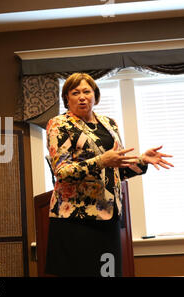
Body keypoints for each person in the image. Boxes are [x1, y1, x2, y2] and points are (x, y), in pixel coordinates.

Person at [45, 72, 173, 277]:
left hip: (108, 216)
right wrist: (101, 161)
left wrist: (141, 160)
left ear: (95, 96)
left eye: (87, 91)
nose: (82, 96)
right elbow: (62, 172)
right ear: (66, 98)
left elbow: (115, 171)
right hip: (75, 219)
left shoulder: (109, 123)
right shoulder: (59, 124)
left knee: (109, 274)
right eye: (75, 92)